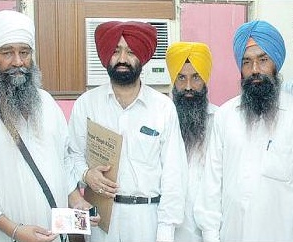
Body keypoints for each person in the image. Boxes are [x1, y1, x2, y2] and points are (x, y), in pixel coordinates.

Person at [0, 10, 98, 242]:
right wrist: (14, 230)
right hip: (2, 236)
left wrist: (76, 200)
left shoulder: (46, 103)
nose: (18, 62)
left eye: (24, 52)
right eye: (7, 53)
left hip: (53, 234)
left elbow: (63, 160)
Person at [68, 21, 188, 242]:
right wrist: (86, 175)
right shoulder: (86, 104)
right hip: (100, 219)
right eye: (115, 51)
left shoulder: (162, 107)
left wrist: (165, 233)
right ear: (106, 56)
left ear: (142, 57)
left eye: (131, 51)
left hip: (147, 221)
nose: (122, 59)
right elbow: (70, 155)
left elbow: (174, 176)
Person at [194, 20, 293, 242]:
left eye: (263, 60)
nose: (255, 70)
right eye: (247, 62)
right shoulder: (225, 115)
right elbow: (211, 187)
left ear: (276, 63)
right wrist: (211, 236)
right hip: (232, 235)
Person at [165, 42, 218, 242]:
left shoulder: (221, 120)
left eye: (195, 77)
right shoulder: (161, 120)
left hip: (212, 231)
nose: (188, 86)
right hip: (167, 231)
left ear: (205, 79)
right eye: (181, 78)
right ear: (173, 80)